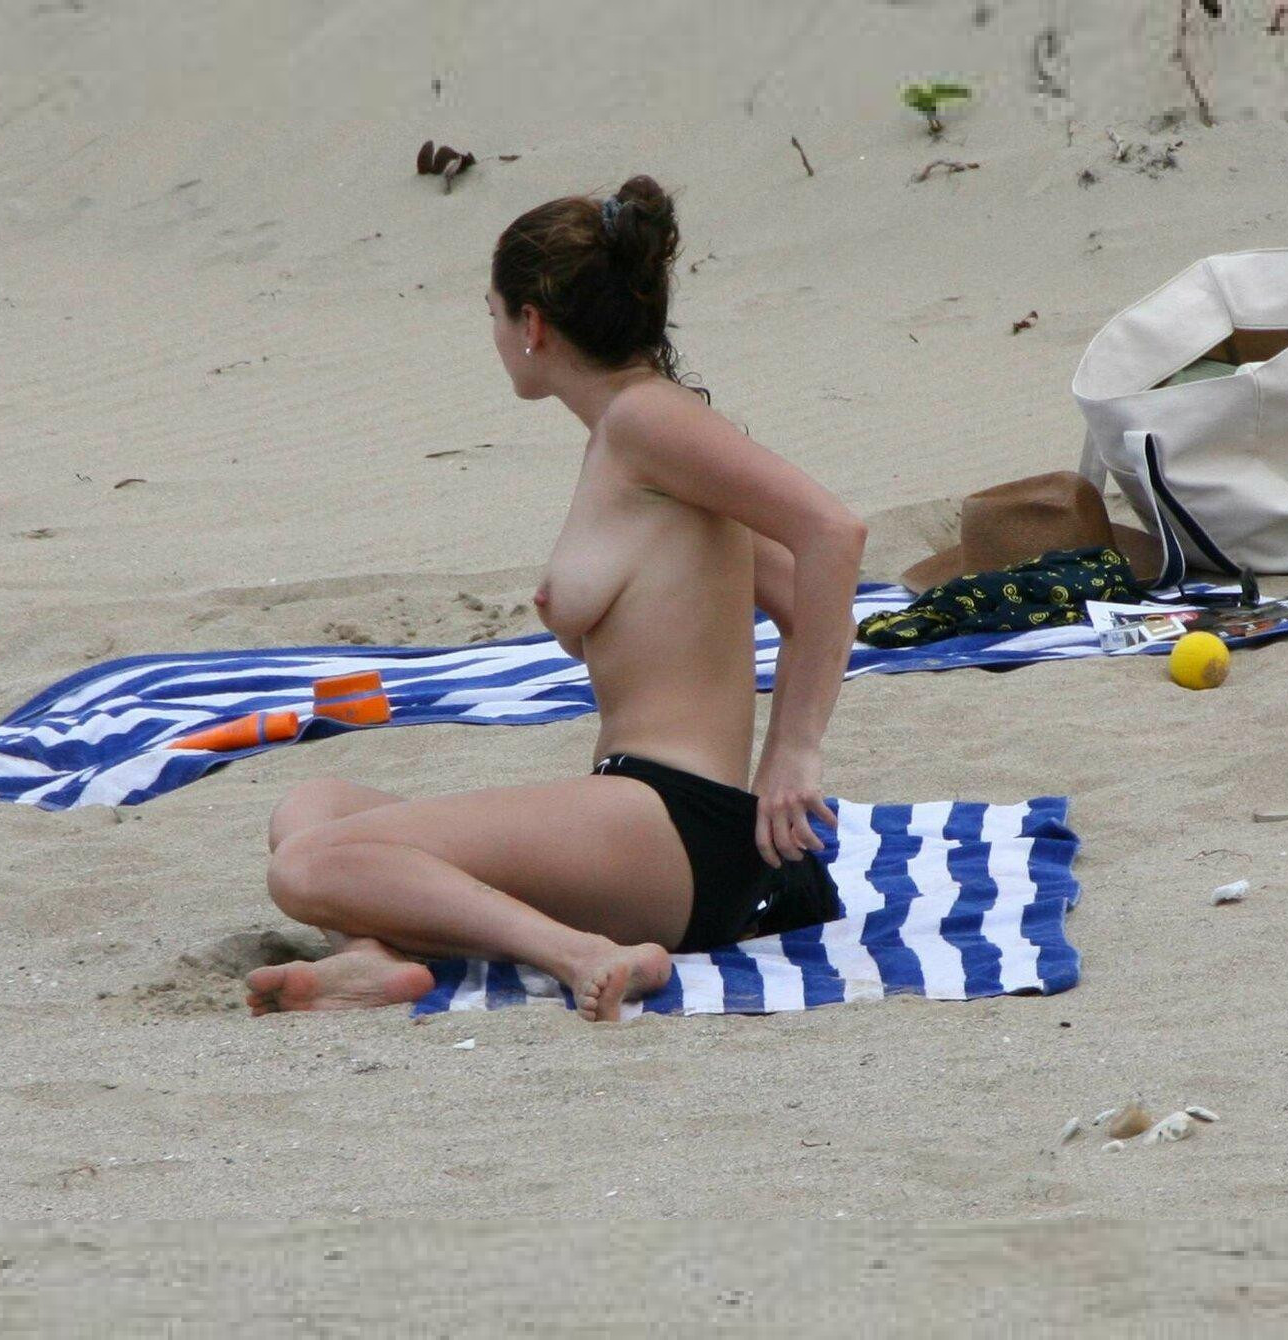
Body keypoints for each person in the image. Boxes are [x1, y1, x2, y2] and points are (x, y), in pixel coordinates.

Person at [246, 176, 866, 1022]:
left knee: (306, 868)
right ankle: (371, 959)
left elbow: (833, 532)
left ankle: (580, 955)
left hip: (676, 822)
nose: (496, 334)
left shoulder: (650, 421)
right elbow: (797, 598)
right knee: (310, 809)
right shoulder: (637, 440)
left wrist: (792, 753)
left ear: (532, 325)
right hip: (645, 820)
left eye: (494, 314)